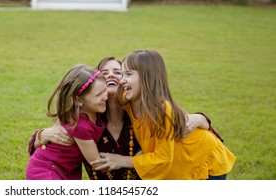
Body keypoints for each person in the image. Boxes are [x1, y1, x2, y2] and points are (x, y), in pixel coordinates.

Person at [28, 56, 215, 180]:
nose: (111, 75)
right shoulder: (86, 119)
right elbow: (51, 150)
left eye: (118, 72)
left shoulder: (141, 112)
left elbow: (183, 128)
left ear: (127, 80)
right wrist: (40, 136)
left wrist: (201, 119)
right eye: (104, 72)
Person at [92, 50, 236, 180]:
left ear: (147, 77)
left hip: (203, 161)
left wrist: (123, 160)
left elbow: (163, 159)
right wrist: (69, 129)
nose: (122, 80)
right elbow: (85, 101)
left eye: (128, 74)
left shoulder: (161, 109)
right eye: (122, 74)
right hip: (180, 162)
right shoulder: (130, 101)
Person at [26, 64, 108, 180]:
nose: (105, 96)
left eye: (105, 90)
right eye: (99, 94)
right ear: (79, 100)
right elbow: (95, 162)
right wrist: (127, 161)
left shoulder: (94, 111)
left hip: (65, 170)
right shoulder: (80, 125)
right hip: (46, 169)